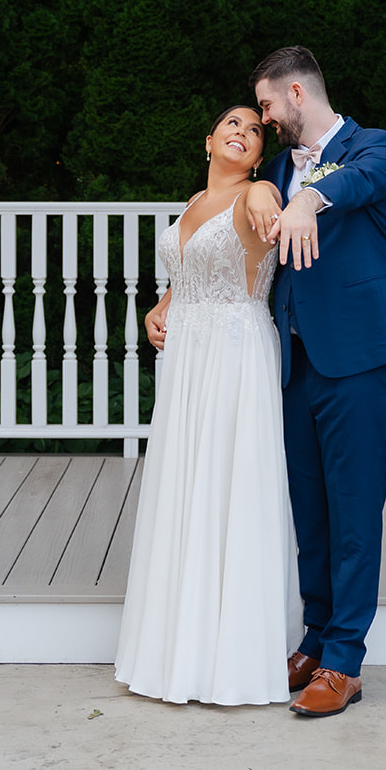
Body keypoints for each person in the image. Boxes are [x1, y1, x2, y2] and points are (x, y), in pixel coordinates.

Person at [246, 46, 386, 718]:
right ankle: (316, 638)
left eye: (265, 104)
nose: (263, 118)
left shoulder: (374, 146)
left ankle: (345, 660)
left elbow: (358, 183)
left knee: (353, 512)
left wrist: (309, 198)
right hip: (294, 363)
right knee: (311, 513)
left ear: (296, 92)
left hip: (358, 361)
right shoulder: (272, 171)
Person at [114, 105, 302, 705]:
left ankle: (234, 658)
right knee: (186, 485)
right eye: (232, 124)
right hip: (187, 357)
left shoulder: (259, 191)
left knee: (230, 484)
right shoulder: (194, 201)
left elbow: (265, 212)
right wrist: (160, 306)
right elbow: (189, 268)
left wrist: (267, 195)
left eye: (255, 129)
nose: (244, 133)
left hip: (234, 351)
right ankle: (177, 652)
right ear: (209, 140)